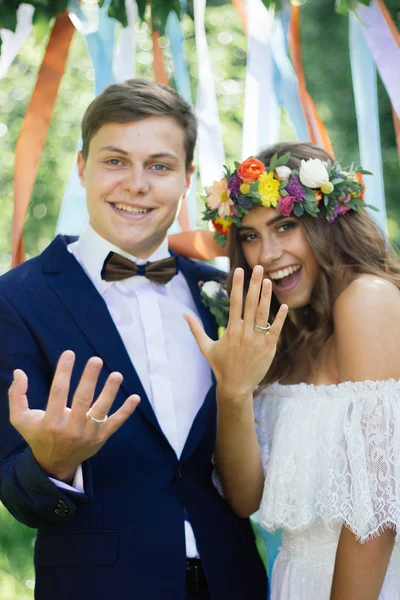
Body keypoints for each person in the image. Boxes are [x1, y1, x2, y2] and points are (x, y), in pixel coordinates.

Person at [0, 79, 268, 600]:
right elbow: (20, 496)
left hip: (232, 581)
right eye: (116, 161)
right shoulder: (15, 301)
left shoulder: (224, 293)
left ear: (187, 178)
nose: (137, 184)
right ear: (82, 167)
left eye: (160, 166)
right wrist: (54, 462)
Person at [186, 141, 400, 600]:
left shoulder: (368, 300)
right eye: (249, 236)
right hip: (294, 583)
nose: (266, 253)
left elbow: (376, 512)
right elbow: (245, 499)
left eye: (285, 226)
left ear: (329, 222)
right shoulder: (284, 335)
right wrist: (234, 390)